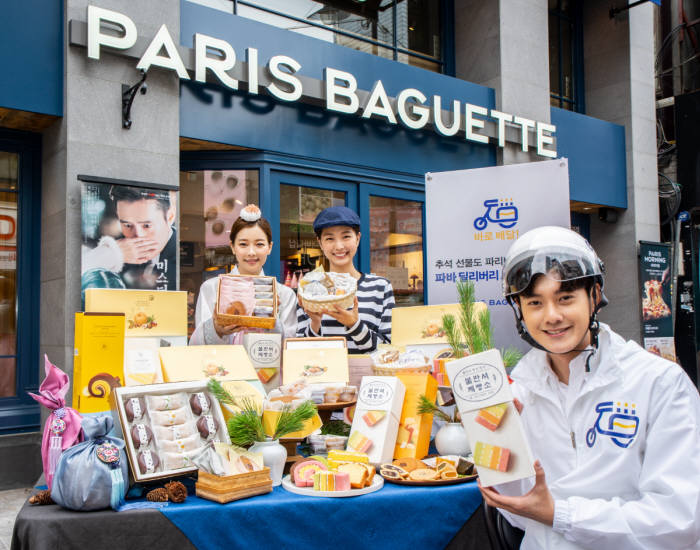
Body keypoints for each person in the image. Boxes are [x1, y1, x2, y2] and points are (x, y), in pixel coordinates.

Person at [479, 226, 700, 550]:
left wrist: (561, 514)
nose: (551, 316)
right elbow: (521, 513)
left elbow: (680, 520)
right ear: (520, 311)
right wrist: (499, 456)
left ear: (595, 295)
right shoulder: (519, 392)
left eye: (565, 298)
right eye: (535, 303)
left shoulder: (660, 385)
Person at [189, 205, 297, 345]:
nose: (251, 252)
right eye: (243, 244)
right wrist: (217, 328)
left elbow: (291, 346)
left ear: (269, 247)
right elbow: (198, 346)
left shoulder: (284, 295)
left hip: (267, 367)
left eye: (259, 244)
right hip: (226, 366)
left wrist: (270, 319)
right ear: (232, 247)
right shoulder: (212, 288)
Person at [296, 205, 394, 353]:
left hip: (368, 376)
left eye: (346, 236)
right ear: (320, 243)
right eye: (330, 238)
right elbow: (299, 352)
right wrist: (315, 323)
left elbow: (389, 349)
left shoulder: (381, 287)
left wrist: (355, 325)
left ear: (358, 238)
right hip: (324, 375)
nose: (339, 246)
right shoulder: (308, 289)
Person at [81, 186, 177, 290]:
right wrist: (110, 254)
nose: (138, 235)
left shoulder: (178, 259)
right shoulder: (115, 250)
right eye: (127, 225)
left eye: (147, 225)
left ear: (170, 217)